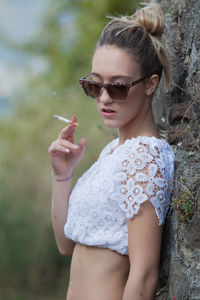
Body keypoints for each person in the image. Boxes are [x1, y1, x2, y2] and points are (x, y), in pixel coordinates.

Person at [48, 3, 175, 300]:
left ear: (150, 85)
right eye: (94, 85)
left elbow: (144, 273)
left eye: (117, 87)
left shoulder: (144, 156)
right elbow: (67, 245)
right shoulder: (113, 152)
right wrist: (62, 174)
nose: (103, 98)